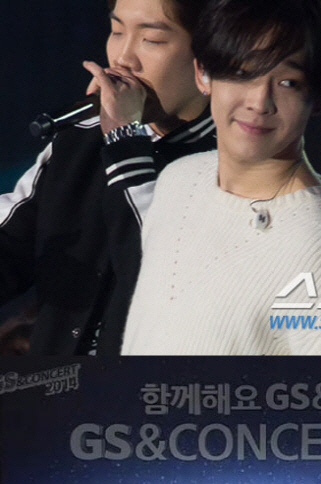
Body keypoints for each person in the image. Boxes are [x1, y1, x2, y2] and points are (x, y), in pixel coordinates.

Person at [121, 0, 321, 355]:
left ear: (319, 97)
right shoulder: (179, 181)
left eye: (287, 82)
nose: (259, 102)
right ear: (203, 73)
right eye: (242, 72)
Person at [0, 0, 215, 355]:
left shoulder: (231, 166)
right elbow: (11, 243)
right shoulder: (79, 140)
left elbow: (168, 278)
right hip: (53, 386)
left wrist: (122, 139)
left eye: (151, 40)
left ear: (209, 56)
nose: (123, 59)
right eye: (116, 32)